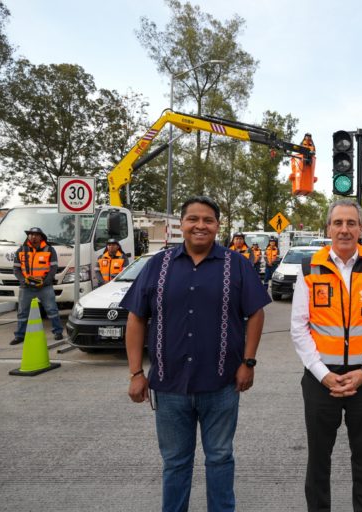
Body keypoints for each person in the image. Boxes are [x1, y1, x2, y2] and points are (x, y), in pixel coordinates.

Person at [122, 196, 271, 512]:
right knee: (175, 462)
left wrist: (249, 362)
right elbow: (136, 317)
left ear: (217, 226)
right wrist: (136, 373)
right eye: (193, 219)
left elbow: (256, 313)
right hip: (169, 385)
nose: (200, 226)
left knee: (219, 457)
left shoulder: (237, 265)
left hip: (222, 385)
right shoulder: (157, 266)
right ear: (182, 225)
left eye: (208, 220)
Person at [290, 198, 362, 512]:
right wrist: (323, 374)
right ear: (328, 228)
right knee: (318, 460)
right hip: (320, 381)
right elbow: (299, 326)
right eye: (338, 223)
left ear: (361, 229)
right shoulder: (310, 267)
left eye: (352, 223)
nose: (345, 229)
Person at [11, 227, 64, 345]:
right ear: (28, 236)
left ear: (41, 237)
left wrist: (46, 281)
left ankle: (58, 332)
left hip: (45, 286)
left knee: (52, 309)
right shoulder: (21, 250)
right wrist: (23, 280)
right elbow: (16, 268)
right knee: (22, 312)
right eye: (31, 234)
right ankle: (19, 335)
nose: (33, 237)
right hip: (26, 287)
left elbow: (53, 268)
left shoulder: (49, 250)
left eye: (36, 235)